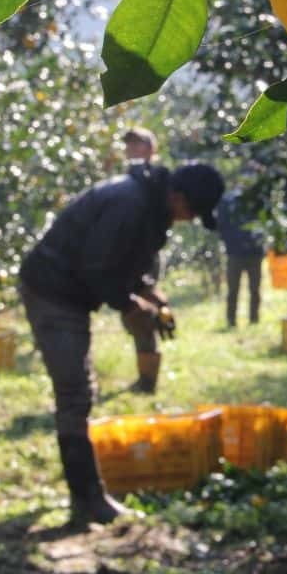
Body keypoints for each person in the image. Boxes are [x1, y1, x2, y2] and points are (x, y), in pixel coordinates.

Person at [18, 160, 224, 526]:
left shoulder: (147, 204)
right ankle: (87, 501)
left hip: (69, 291)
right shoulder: (129, 203)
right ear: (177, 196)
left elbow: (125, 259)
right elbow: (98, 267)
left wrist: (151, 294)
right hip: (52, 290)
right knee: (75, 394)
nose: (190, 219)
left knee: (77, 395)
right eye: (192, 211)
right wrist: (132, 306)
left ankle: (89, 498)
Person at [119, 125, 161, 392]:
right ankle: (145, 376)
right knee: (132, 317)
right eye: (129, 145)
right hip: (128, 256)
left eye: (138, 144)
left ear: (150, 148)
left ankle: (147, 381)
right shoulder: (129, 178)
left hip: (144, 257)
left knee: (140, 316)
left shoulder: (155, 179)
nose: (132, 149)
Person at [216, 189, 264, 329]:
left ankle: (253, 319)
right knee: (233, 290)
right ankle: (232, 321)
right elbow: (222, 225)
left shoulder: (256, 200)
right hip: (236, 253)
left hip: (253, 252)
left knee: (253, 290)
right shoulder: (228, 201)